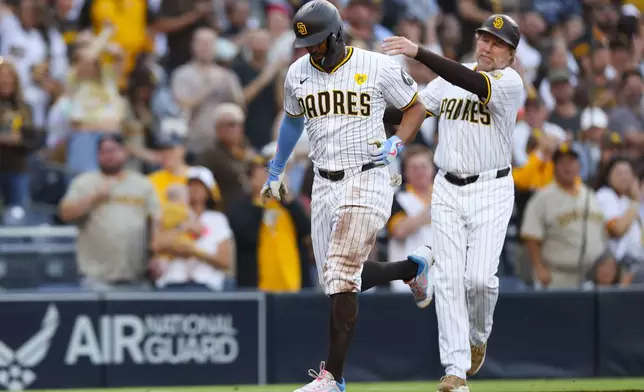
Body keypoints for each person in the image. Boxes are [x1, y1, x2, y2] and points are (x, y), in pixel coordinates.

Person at [260, 1, 429, 391]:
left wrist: (398, 143)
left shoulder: (377, 65)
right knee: (336, 281)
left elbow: (415, 107)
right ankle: (411, 269)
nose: (313, 50)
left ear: (336, 34)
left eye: (319, 42)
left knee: (341, 275)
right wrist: (277, 168)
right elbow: (291, 120)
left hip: (369, 175)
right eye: (307, 44)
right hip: (324, 181)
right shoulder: (297, 72)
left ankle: (332, 378)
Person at [382, 14, 525, 392]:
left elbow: (472, 82)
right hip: (446, 186)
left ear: (511, 54)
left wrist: (420, 52)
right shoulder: (450, 79)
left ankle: (478, 337)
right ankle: (455, 371)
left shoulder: (510, 83)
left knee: (478, 280)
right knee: (447, 280)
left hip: (491, 189)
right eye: (484, 38)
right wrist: (396, 139)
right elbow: (415, 110)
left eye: (497, 43)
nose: (487, 46)